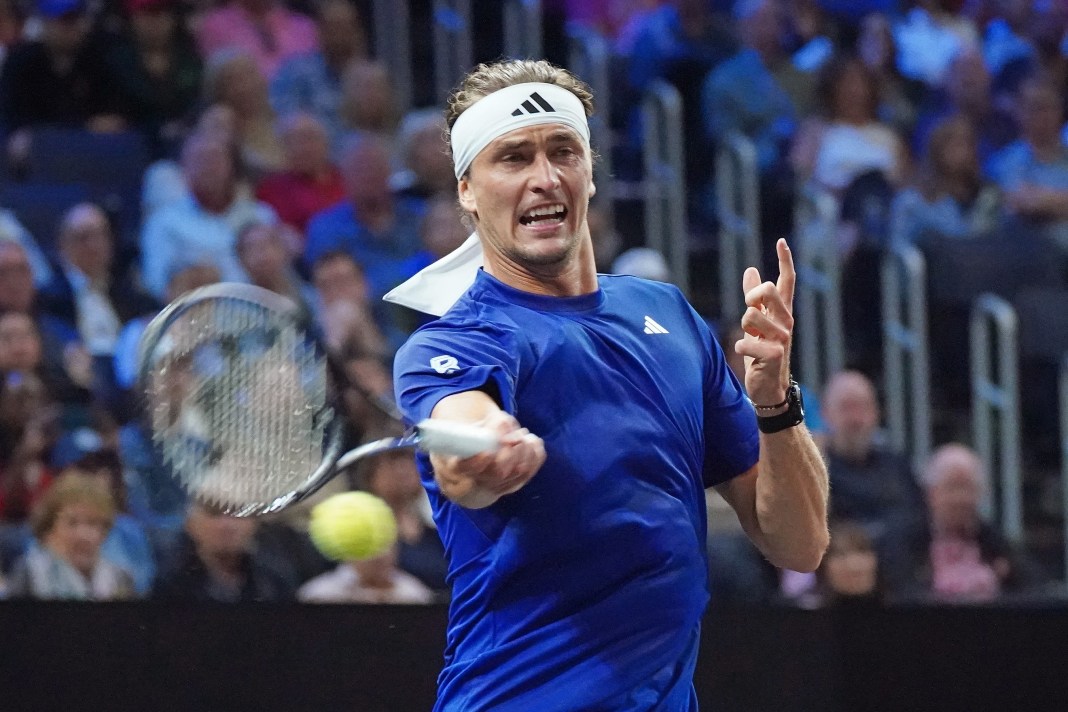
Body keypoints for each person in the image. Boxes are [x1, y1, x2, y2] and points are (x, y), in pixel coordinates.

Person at [389, 58, 828, 710]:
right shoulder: (450, 345)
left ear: (590, 171)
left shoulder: (670, 317)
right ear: (467, 191)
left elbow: (799, 543)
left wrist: (773, 400)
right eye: (512, 158)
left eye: (562, 150)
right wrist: (486, 446)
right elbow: (464, 449)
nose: (544, 178)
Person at [880, 443, 1051, 603]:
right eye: (952, 487)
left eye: (968, 488)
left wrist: (1010, 573)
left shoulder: (990, 536)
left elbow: (1034, 583)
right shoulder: (903, 538)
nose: (961, 499)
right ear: (931, 493)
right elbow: (903, 590)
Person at [819, 369, 926, 544]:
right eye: (846, 408)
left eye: (863, 407)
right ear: (826, 414)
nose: (855, 419)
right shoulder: (815, 473)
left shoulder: (898, 467)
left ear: (877, 413)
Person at [6, 471, 136, 600]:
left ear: (104, 532)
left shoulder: (121, 580)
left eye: (92, 523)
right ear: (49, 531)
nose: (82, 535)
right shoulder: (30, 575)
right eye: (72, 523)